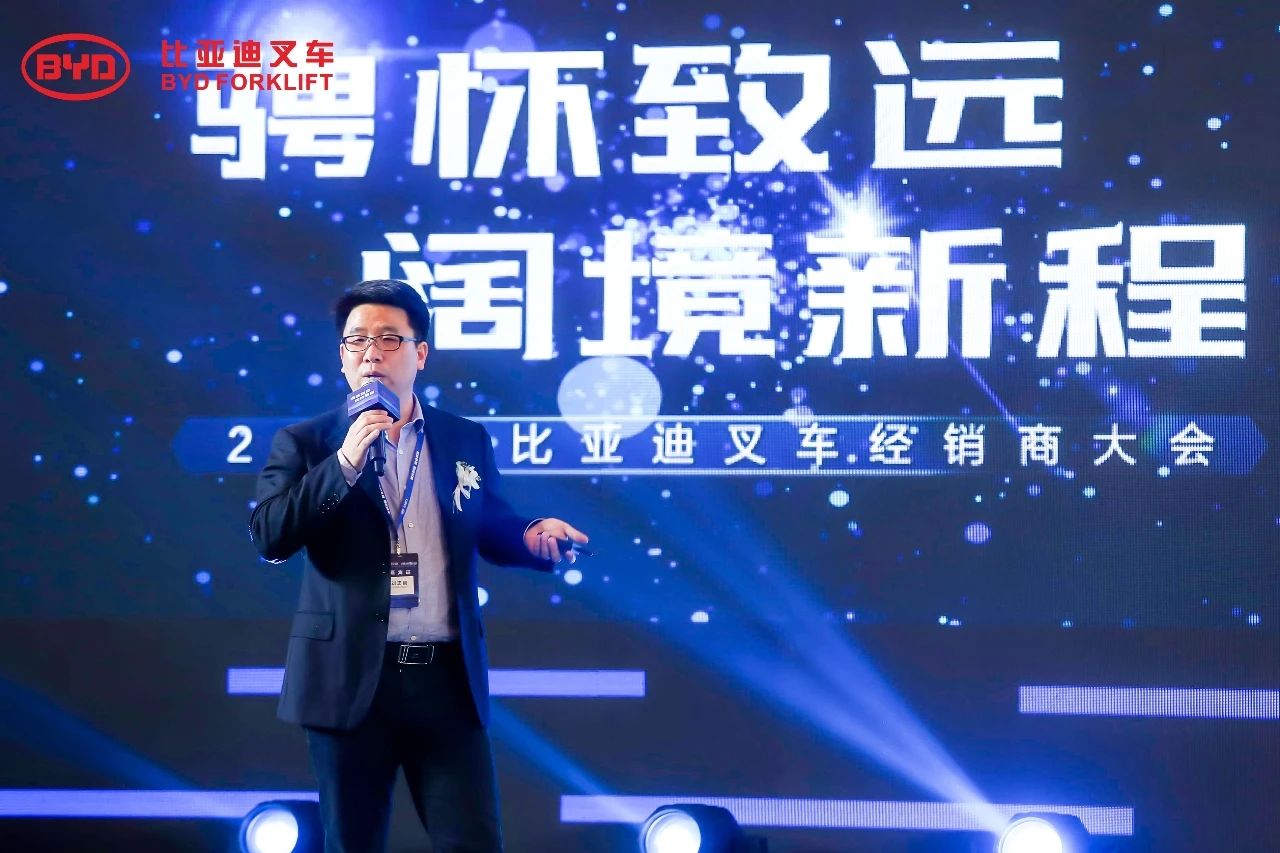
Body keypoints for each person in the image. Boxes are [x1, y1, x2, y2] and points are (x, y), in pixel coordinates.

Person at [249, 279, 588, 853]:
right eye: (356, 341)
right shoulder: (306, 443)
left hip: (446, 680)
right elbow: (270, 536)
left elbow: (492, 525)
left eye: (388, 338)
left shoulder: (463, 439)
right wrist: (346, 461)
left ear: (420, 353)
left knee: (474, 842)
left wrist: (532, 536)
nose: (371, 354)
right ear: (342, 357)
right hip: (349, 677)